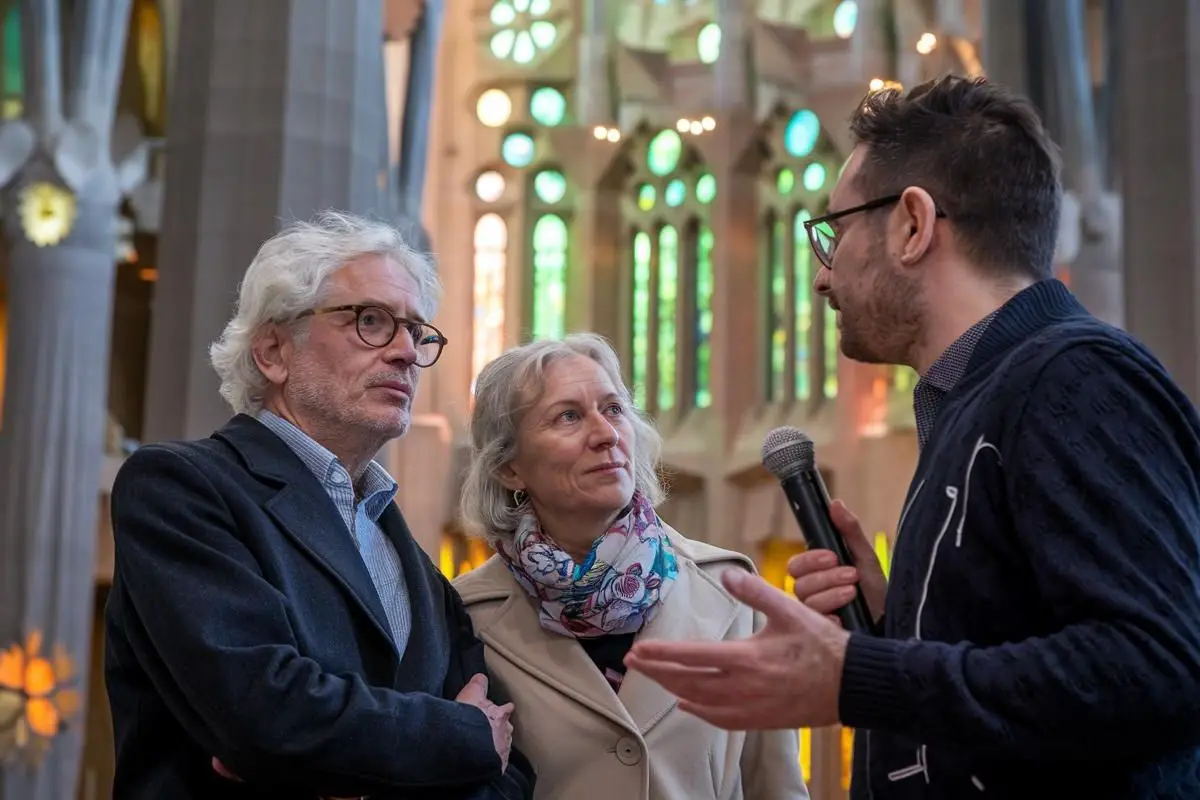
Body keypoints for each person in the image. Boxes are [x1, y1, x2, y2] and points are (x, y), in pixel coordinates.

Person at [624, 75, 1200, 798]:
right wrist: (897, 624)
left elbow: (1158, 664)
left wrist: (857, 676)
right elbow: (1028, 673)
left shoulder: (1074, 377)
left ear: (912, 225)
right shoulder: (980, 397)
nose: (823, 279)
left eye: (834, 234)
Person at [104, 211, 536, 799]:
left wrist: (340, 763)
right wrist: (456, 738)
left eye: (416, 331)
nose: (407, 352)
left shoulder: (415, 562)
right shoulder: (182, 489)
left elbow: (510, 768)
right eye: (371, 321)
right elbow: (261, 713)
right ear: (274, 351)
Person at [451, 334, 809, 800]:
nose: (606, 434)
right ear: (509, 467)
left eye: (614, 409)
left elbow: (777, 788)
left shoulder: (731, 593)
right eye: (569, 417)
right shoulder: (467, 616)